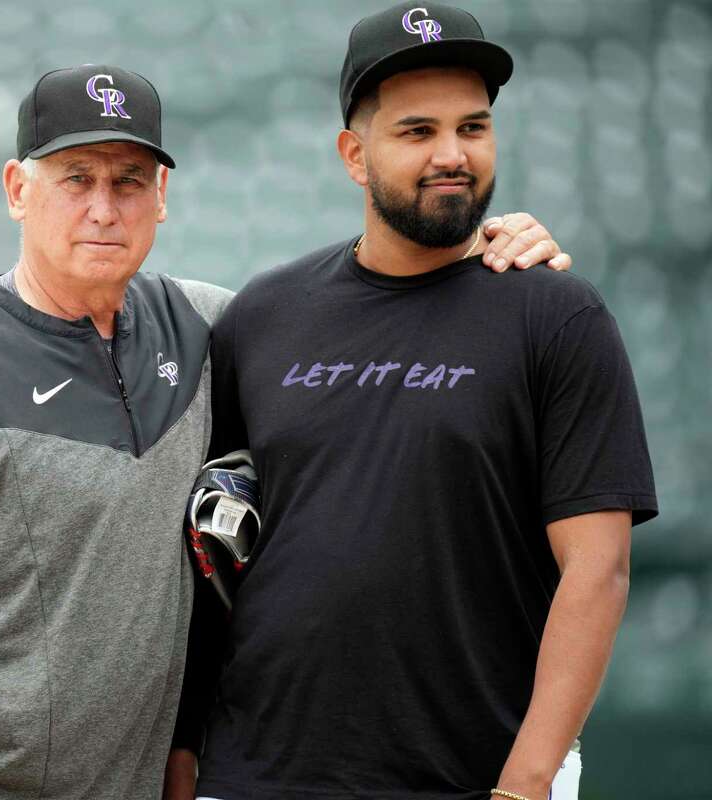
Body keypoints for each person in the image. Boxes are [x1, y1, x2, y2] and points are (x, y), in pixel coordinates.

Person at [0, 63, 570, 800]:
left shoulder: (209, 326)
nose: (104, 207)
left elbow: (364, 315)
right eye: (76, 179)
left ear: (162, 195)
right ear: (17, 190)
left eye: (129, 181)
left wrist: (482, 245)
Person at [167, 5, 658, 800]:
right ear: (354, 156)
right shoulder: (262, 316)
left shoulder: (557, 317)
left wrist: (526, 784)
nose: (453, 155)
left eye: (474, 126)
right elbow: (209, 555)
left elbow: (597, 572)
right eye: (417, 131)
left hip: (474, 778)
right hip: (256, 773)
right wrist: (186, 751)